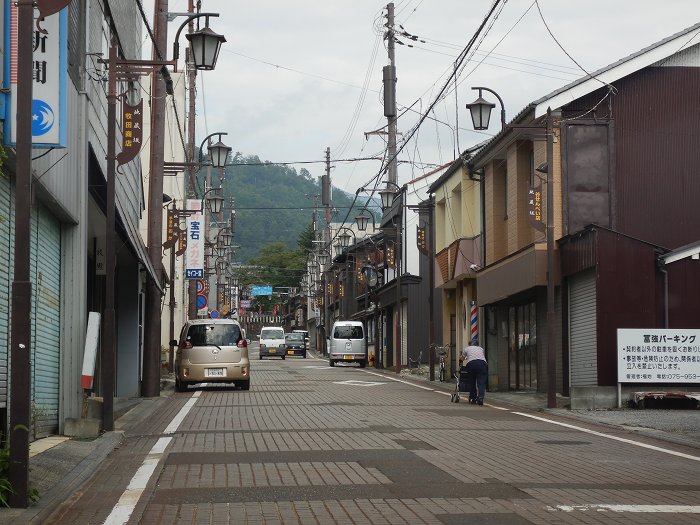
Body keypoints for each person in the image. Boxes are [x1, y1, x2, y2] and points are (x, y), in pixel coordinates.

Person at [460, 337, 488, 405]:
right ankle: (480, 398)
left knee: (472, 382)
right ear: (477, 345)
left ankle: (473, 398)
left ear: (470, 344)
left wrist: (460, 363)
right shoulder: (481, 349)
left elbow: (462, 358)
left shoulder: (467, 349)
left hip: (472, 364)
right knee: (481, 383)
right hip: (483, 364)